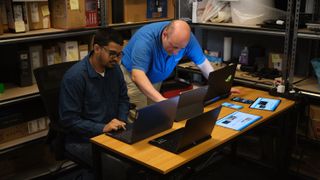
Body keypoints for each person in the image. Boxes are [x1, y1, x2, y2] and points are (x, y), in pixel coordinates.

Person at [121, 20, 239, 109]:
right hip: (133, 79)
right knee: (139, 118)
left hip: (154, 79)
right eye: (174, 46)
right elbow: (138, 75)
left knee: (153, 116)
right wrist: (162, 100)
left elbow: (202, 63)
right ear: (164, 35)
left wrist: (220, 86)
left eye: (181, 48)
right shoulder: (146, 40)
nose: (176, 52)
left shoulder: (185, 39)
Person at [59, 28, 129, 168]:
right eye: (112, 54)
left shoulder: (114, 69)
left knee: (143, 155)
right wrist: (102, 128)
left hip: (112, 132)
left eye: (120, 54)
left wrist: (121, 120)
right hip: (83, 139)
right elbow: (69, 121)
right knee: (119, 165)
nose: (116, 59)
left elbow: (123, 99)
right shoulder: (75, 77)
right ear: (97, 48)